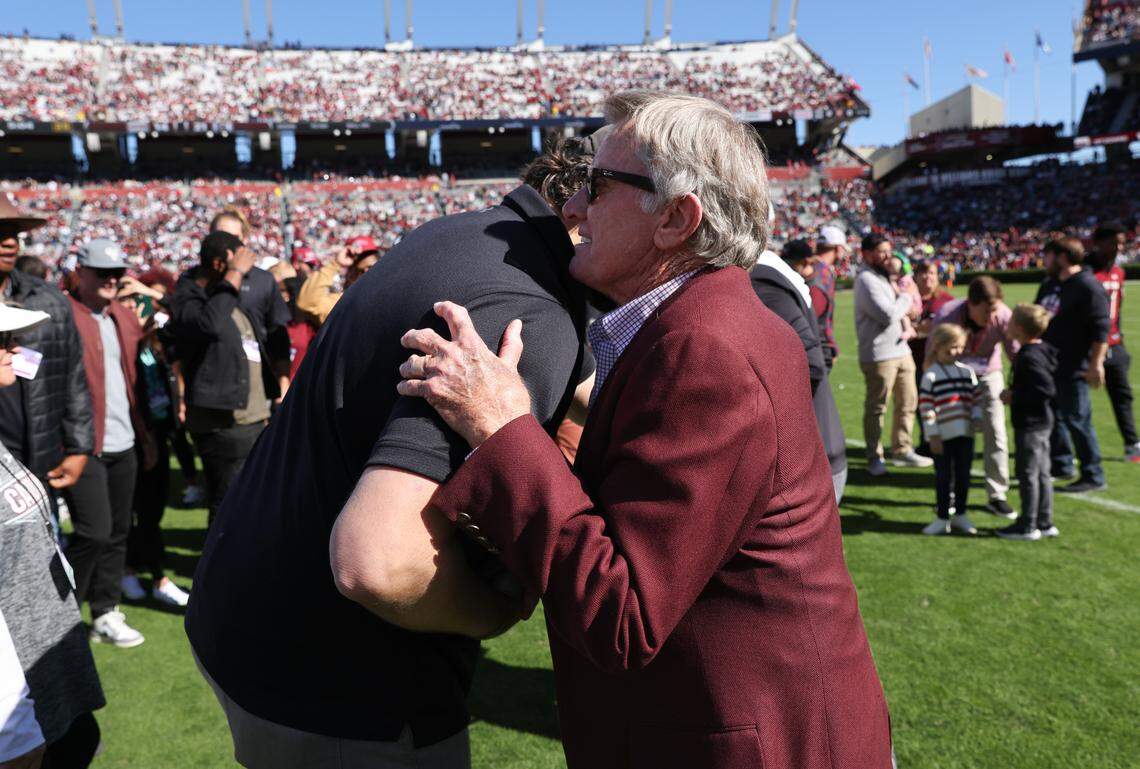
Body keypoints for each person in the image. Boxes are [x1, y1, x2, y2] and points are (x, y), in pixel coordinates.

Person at [398, 91, 892, 769]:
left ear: (675, 219)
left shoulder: (705, 350)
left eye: (596, 187)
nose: (571, 209)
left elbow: (622, 611)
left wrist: (500, 427)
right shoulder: (701, 326)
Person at [185, 183, 591, 766]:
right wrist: (493, 612)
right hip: (346, 686)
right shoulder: (531, 309)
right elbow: (378, 562)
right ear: (576, 208)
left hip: (251, 618)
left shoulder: (458, 235)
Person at [0, 301, 106, 768]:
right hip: (17, 701)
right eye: (2, 342)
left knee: (81, 742)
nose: (14, 349)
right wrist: (16, 733)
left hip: (43, 672)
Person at [64, 239, 152, 648]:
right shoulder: (62, 314)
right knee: (93, 533)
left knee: (118, 532)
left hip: (125, 440)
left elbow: (139, 375)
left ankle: (104, 611)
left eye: (117, 273)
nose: (111, 281)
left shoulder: (123, 316)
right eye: (102, 273)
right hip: (83, 446)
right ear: (81, 272)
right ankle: (62, 618)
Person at [170, 232, 277, 526]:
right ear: (220, 264)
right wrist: (234, 274)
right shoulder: (189, 294)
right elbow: (210, 325)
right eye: (240, 266)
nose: (247, 276)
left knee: (250, 501)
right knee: (229, 504)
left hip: (250, 417)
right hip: (223, 424)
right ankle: (220, 569)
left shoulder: (228, 295)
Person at [0, 194, 93, 505]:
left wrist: (79, 448)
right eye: (0, 233)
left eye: (14, 233)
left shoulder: (49, 299)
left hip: (34, 464)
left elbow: (73, 377)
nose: (11, 243)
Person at [752, 239, 848, 503]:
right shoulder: (768, 274)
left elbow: (811, 363)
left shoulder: (761, 279)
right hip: (810, 452)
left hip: (805, 457)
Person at [118, 285, 190, 608]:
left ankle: (142, 569)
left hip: (159, 432)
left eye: (138, 302)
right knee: (138, 509)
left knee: (153, 508)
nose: (137, 308)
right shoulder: (124, 347)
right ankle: (141, 572)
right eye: (128, 302)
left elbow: (183, 319)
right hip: (134, 436)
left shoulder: (155, 343)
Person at [927, 277, 1019, 519]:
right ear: (971, 303)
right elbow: (931, 356)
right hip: (952, 378)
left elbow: (1018, 355)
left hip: (988, 375)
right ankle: (951, 494)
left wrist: (1017, 387)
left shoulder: (1002, 315)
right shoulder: (948, 315)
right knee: (953, 435)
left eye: (994, 309)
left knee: (996, 431)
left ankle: (997, 494)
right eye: (986, 311)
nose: (991, 317)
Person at [1035, 236, 1110, 493]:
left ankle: (1093, 473)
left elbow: (1101, 329)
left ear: (1062, 257)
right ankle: (1061, 464)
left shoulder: (1087, 286)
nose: (1044, 261)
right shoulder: (1052, 284)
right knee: (1054, 417)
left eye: (1048, 256)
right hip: (1049, 364)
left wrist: (1096, 364)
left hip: (1074, 365)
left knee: (1078, 419)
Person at [854, 232, 932, 476]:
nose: (887, 256)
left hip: (901, 349)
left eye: (889, 250)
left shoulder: (884, 276)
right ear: (866, 254)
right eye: (881, 251)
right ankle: (874, 457)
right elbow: (886, 314)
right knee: (878, 408)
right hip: (879, 354)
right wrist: (908, 297)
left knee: (908, 402)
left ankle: (902, 449)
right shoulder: (866, 279)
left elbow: (900, 312)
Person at [208, 209, 292, 402]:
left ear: (244, 240)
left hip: (256, 389)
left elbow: (278, 336)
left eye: (233, 237)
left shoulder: (263, 281)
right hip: (212, 390)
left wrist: (283, 382)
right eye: (220, 237)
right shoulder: (196, 280)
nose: (226, 245)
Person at [997, 304, 1059, 541]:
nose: (1008, 325)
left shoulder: (1029, 355)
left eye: (1011, 321)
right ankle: (1044, 521)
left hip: (1031, 423)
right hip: (1042, 421)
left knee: (1029, 474)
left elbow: (1045, 388)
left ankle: (1027, 524)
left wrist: (1014, 396)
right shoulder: (1041, 349)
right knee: (1042, 472)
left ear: (1020, 329)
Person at [918, 324, 982, 536]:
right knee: (943, 477)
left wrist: (977, 418)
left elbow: (976, 399)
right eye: (951, 348)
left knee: (964, 476)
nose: (957, 352)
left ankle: (961, 514)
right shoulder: (931, 376)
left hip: (965, 434)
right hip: (942, 437)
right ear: (937, 347)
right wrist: (932, 435)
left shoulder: (967, 372)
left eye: (960, 347)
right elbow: (926, 408)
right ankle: (942, 517)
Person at [1088, 222, 1139, 461]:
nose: (1118, 247)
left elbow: (1118, 308)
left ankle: (1132, 444)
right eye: (1113, 242)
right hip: (1087, 346)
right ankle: (1064, 449)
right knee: (1073, 400)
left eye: (1121, 242)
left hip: (1115, 344)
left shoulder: (1119, 272)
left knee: (1123, 396)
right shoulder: (1085, 272)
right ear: (1098, 243)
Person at [909, 259, 955, 454]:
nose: (928, 277)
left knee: (943, 404)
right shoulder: (908, 299)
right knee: (922, 405)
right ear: (916, 277)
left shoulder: (946, 300)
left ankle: (947, 440)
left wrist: (920, 329)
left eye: (932, 274)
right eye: (924, 273)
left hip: (940, 363)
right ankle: (927, 441)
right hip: (914, 360)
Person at [296, 236, 381, 326]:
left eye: (371, 267)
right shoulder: (341, 302)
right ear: (347, 272)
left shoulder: (390, 294)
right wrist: (335, 264)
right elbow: (306, 303)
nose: (366, 273)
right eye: (359, 270)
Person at [814, 224, 847, 366]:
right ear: (838, 248)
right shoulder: (823, 273)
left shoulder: (812, 267)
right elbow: (817, 315)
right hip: (818, 347)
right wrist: (830, 345)